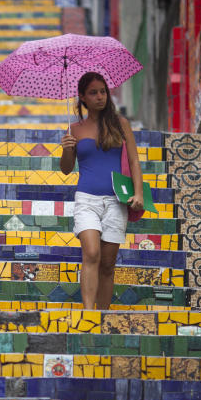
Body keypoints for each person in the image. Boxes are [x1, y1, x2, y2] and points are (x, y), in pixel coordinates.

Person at [60, 72, 144, 310]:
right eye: (93, 93)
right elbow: (66, 169)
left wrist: (138, 194)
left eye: (103, 91)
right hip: (86, 199)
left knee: (107, 264)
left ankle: (103, 318)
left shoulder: (120, 124)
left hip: (117, 200)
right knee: (92, 253)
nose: (100, 97)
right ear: (83, 98)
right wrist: (67, 149)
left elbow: (134, 161)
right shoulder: (74, 129)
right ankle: (88, 314)